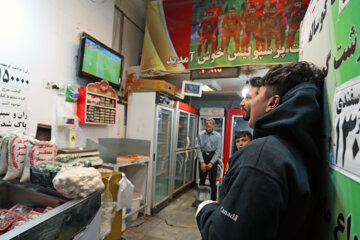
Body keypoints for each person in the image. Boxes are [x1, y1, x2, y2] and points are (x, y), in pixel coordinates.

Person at [196, 61, 324, 240]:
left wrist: (205, 209)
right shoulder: (293, 149)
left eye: (251, 97)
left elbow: (223, 235)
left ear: (272, 103)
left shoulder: (261, 156)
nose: (242, 103)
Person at [197, 118, 222, 201]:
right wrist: (202, 162)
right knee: (202, 181)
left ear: (213, 125)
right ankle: (200, 200)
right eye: (207, 123)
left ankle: (213, 201)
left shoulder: (217, 136)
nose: (208, 124)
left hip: (212, 157)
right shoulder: (201, 134)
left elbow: (218, 150)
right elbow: (198, 149)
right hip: (203, 157)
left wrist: (211, 163)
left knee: (212, 182)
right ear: (205, 124)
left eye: (210, 123)